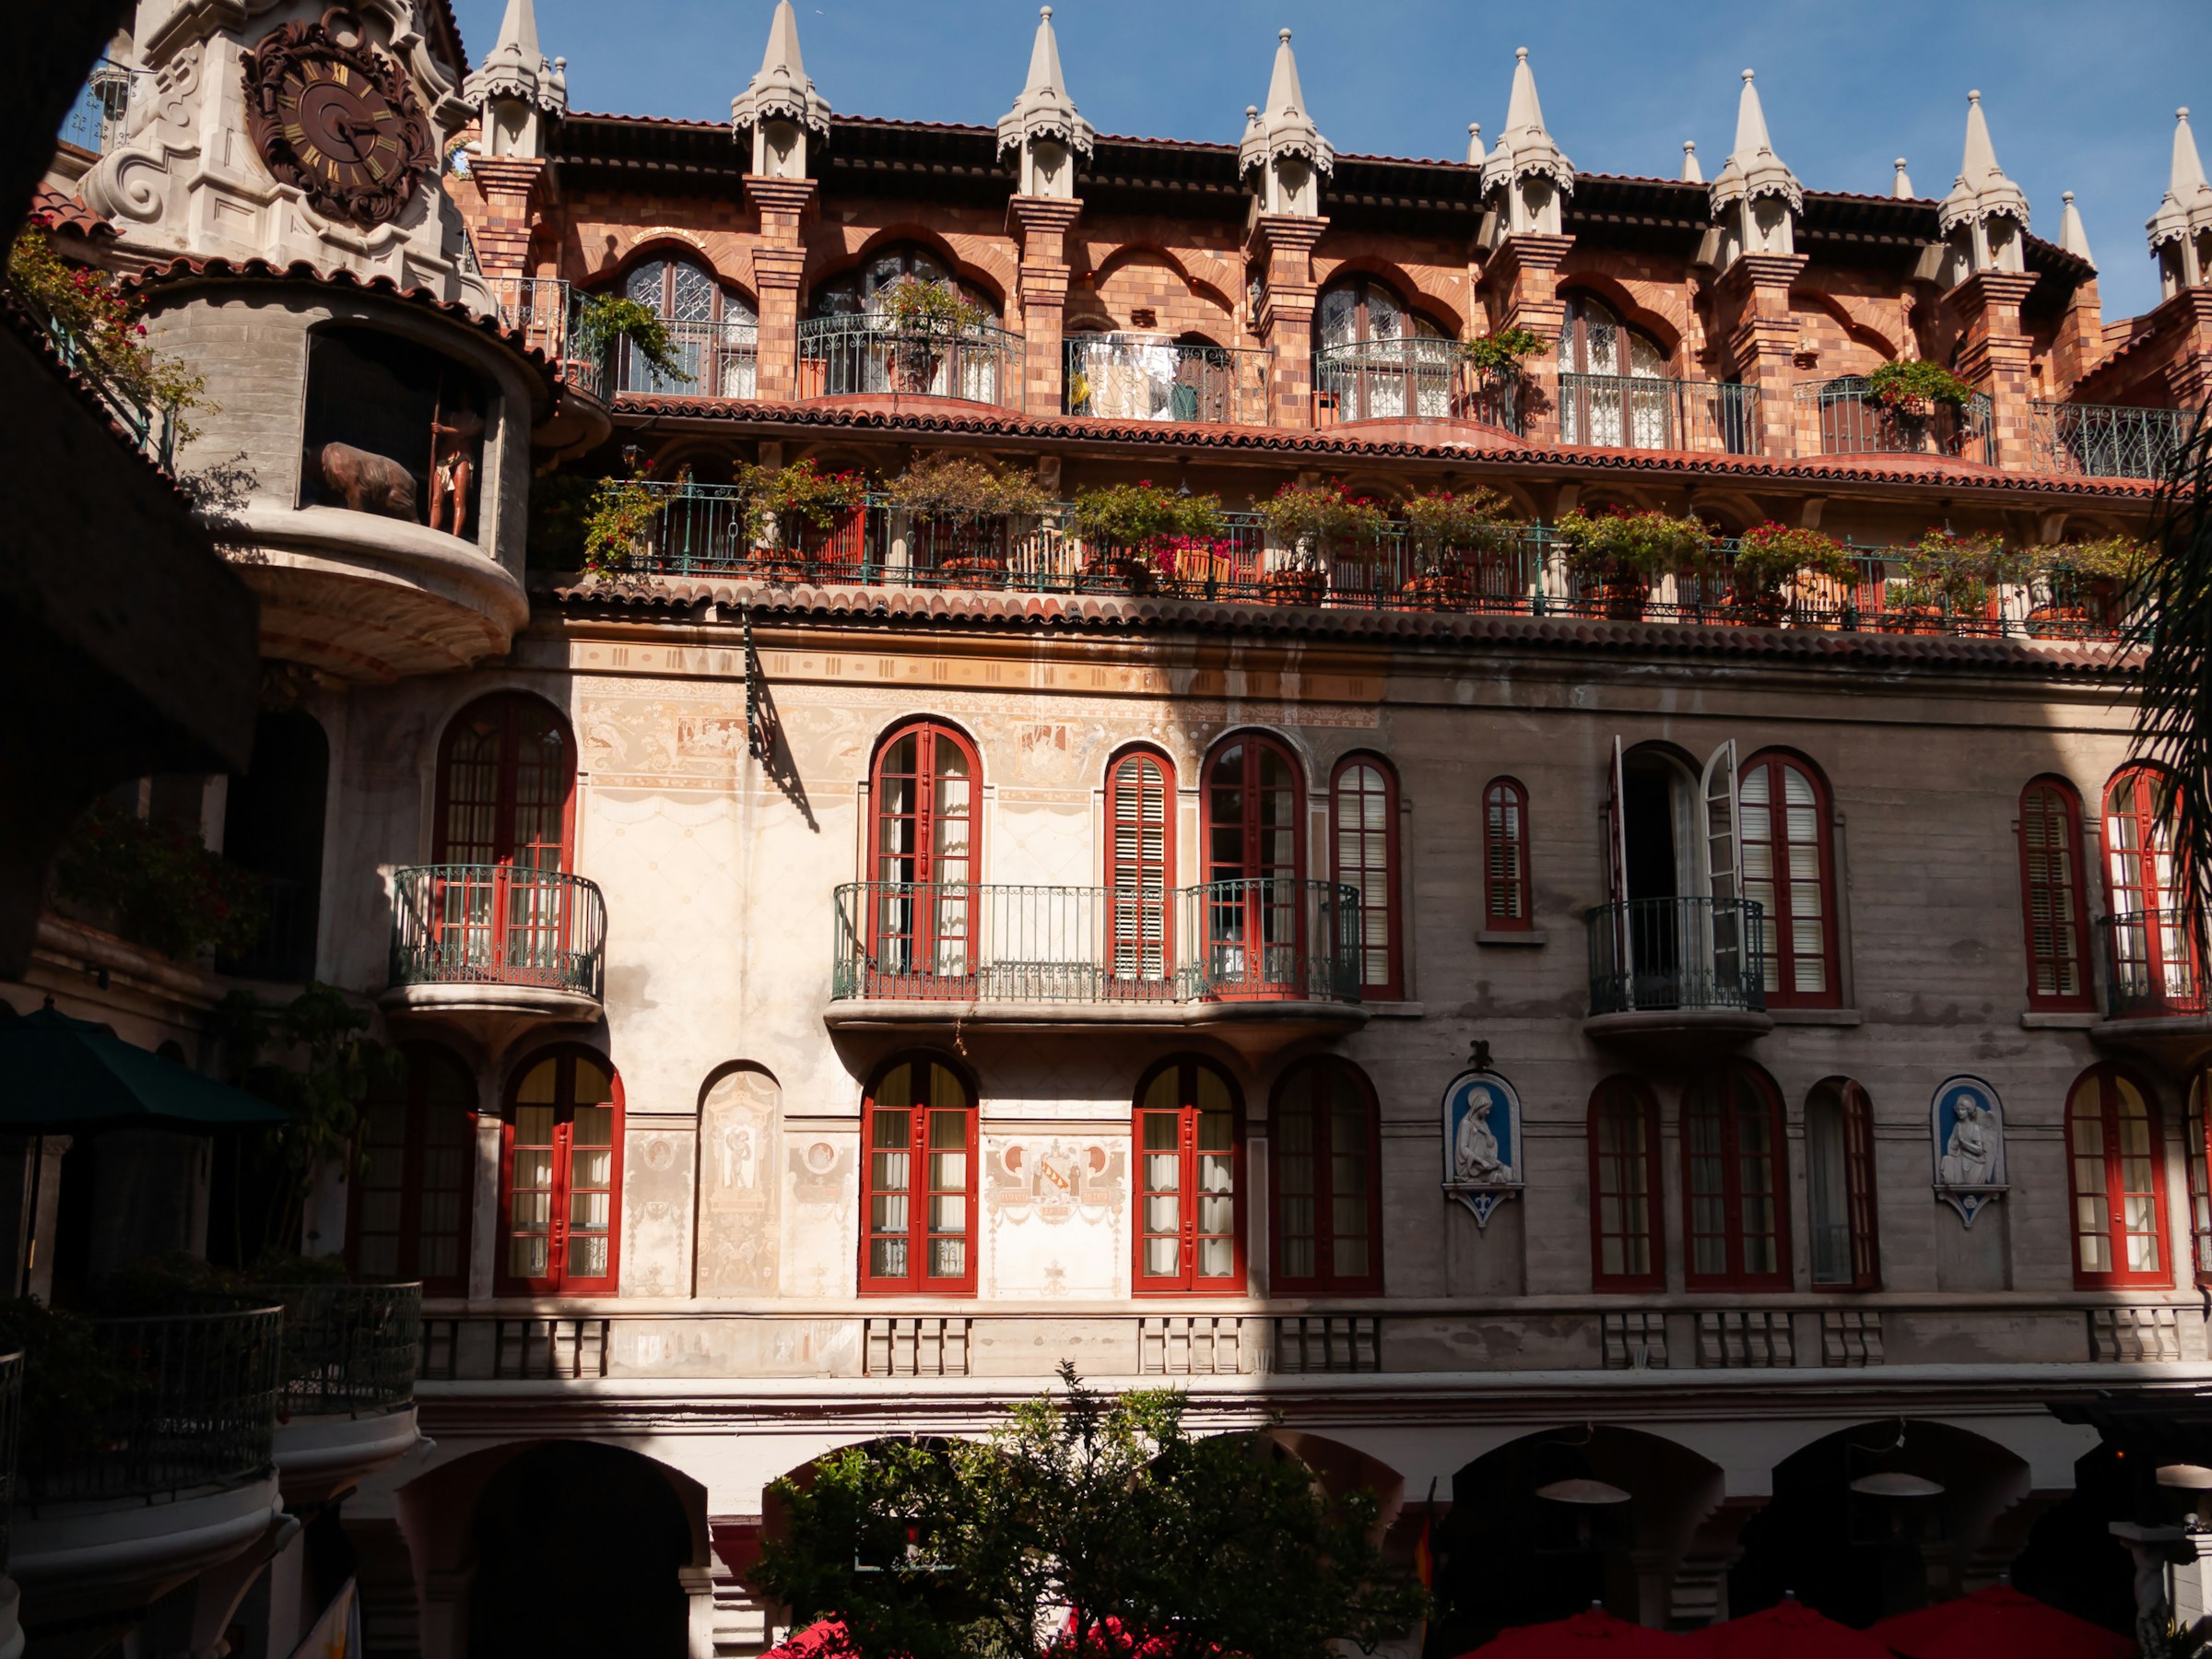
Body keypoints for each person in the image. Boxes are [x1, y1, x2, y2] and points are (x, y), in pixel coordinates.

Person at [429, 390, 485, 537]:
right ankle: (432, 531)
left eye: (466, 397)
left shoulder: (478, 421)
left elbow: (466, 432)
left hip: (463, 457)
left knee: (459, 499)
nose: (463, 400)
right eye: (462, 397)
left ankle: (456, 536)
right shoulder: (449, 417)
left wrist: (443, 429)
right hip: (445, 458)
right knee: (436, 499)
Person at [1939, 1093, 1999, 1186]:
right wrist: (1955, 1144)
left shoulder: (1975, 1127)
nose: (1960, 1112)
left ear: (1969, 1111)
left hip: (1974, 1162)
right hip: (1960, 1158)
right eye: (1958, 1109)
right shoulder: (1957, 1125)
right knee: (1947, 1160)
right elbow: (1952, 1144)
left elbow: (1979, 1150)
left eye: (1963, 1109)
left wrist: (1964, 1143)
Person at [1453, 1088, 1508, 1183]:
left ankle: (1490, 1175)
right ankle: (1482, 1177)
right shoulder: (1466, 1123)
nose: (1488, 1112)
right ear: (1479, 1106)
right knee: (1500, 1175)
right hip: (1471, 1164)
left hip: (1485, 1160)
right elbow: (1463, 1148)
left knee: (1503, 1168)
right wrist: (1479, 1160)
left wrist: (1486, 1133)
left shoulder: (1483, 1124)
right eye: (1486, 1109)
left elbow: (1490, 1145)